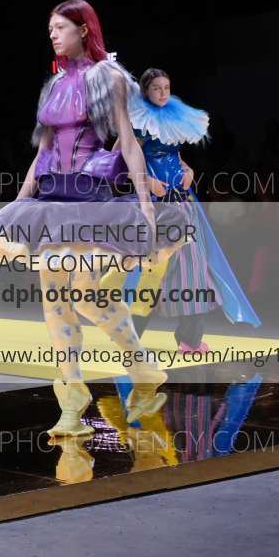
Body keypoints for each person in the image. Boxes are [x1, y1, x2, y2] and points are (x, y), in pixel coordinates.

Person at [0, 0, 191, 436]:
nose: (53, 34)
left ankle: (129, 372)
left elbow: (127, 140)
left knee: (83, 297)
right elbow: (44, 150)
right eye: (50, 28)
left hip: (90, 199)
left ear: (84, 29)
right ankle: (78, 394)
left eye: (60, 27)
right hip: (52, 197)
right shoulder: (54, 84)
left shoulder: (108, 76)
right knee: (58, 298)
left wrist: (145, 202)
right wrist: (18, 204)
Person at [108, 68, 260, 353]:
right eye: (157, 88)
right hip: (154, 207)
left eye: (166, 87)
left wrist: (188, 170)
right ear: (146, 92)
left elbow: (175, 156)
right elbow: (116, 162)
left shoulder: (171, 118)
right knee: (151, 272)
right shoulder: (137, 123)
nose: (163, 93)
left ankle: (190, 339)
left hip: (181, 202)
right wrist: (147, 181)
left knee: (194, 270)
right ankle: (129, 336)